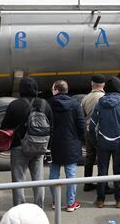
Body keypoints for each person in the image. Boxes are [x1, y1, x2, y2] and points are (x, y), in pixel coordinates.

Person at [1, 77, 54, 208]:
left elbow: (5, 126)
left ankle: (20, 209)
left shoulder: (14, 105)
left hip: (19, 147)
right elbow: (52, 127)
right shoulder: (44, 104)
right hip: (39, 147)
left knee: (18, 181)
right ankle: (38, 208)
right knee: (38, 181)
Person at [90, 76, 120, 209]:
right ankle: (119, 200)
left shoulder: (100, 103)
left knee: (102, 171)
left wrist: (96, 141)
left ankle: (100, 199)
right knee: (119, 170)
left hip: (103, 142)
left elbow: (92, 125)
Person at [47, 80, 85, 212]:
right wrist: (78, 139)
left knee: (53, 174)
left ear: (56, 89)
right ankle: (70, 204)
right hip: (71, 144)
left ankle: (55, 202)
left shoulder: (49, 104)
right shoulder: (75, 104)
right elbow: (81, 124)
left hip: (54, 144)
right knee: (71, 175)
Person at [80, 74, 105, 192]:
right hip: (100, 131)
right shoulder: (104, 97)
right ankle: (102, 185)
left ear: (91, 84)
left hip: (88, 131)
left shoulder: (85, 98)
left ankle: (87, 183)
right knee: (102, 158)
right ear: (103, 85)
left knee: (89, 158)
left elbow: (82, 116)